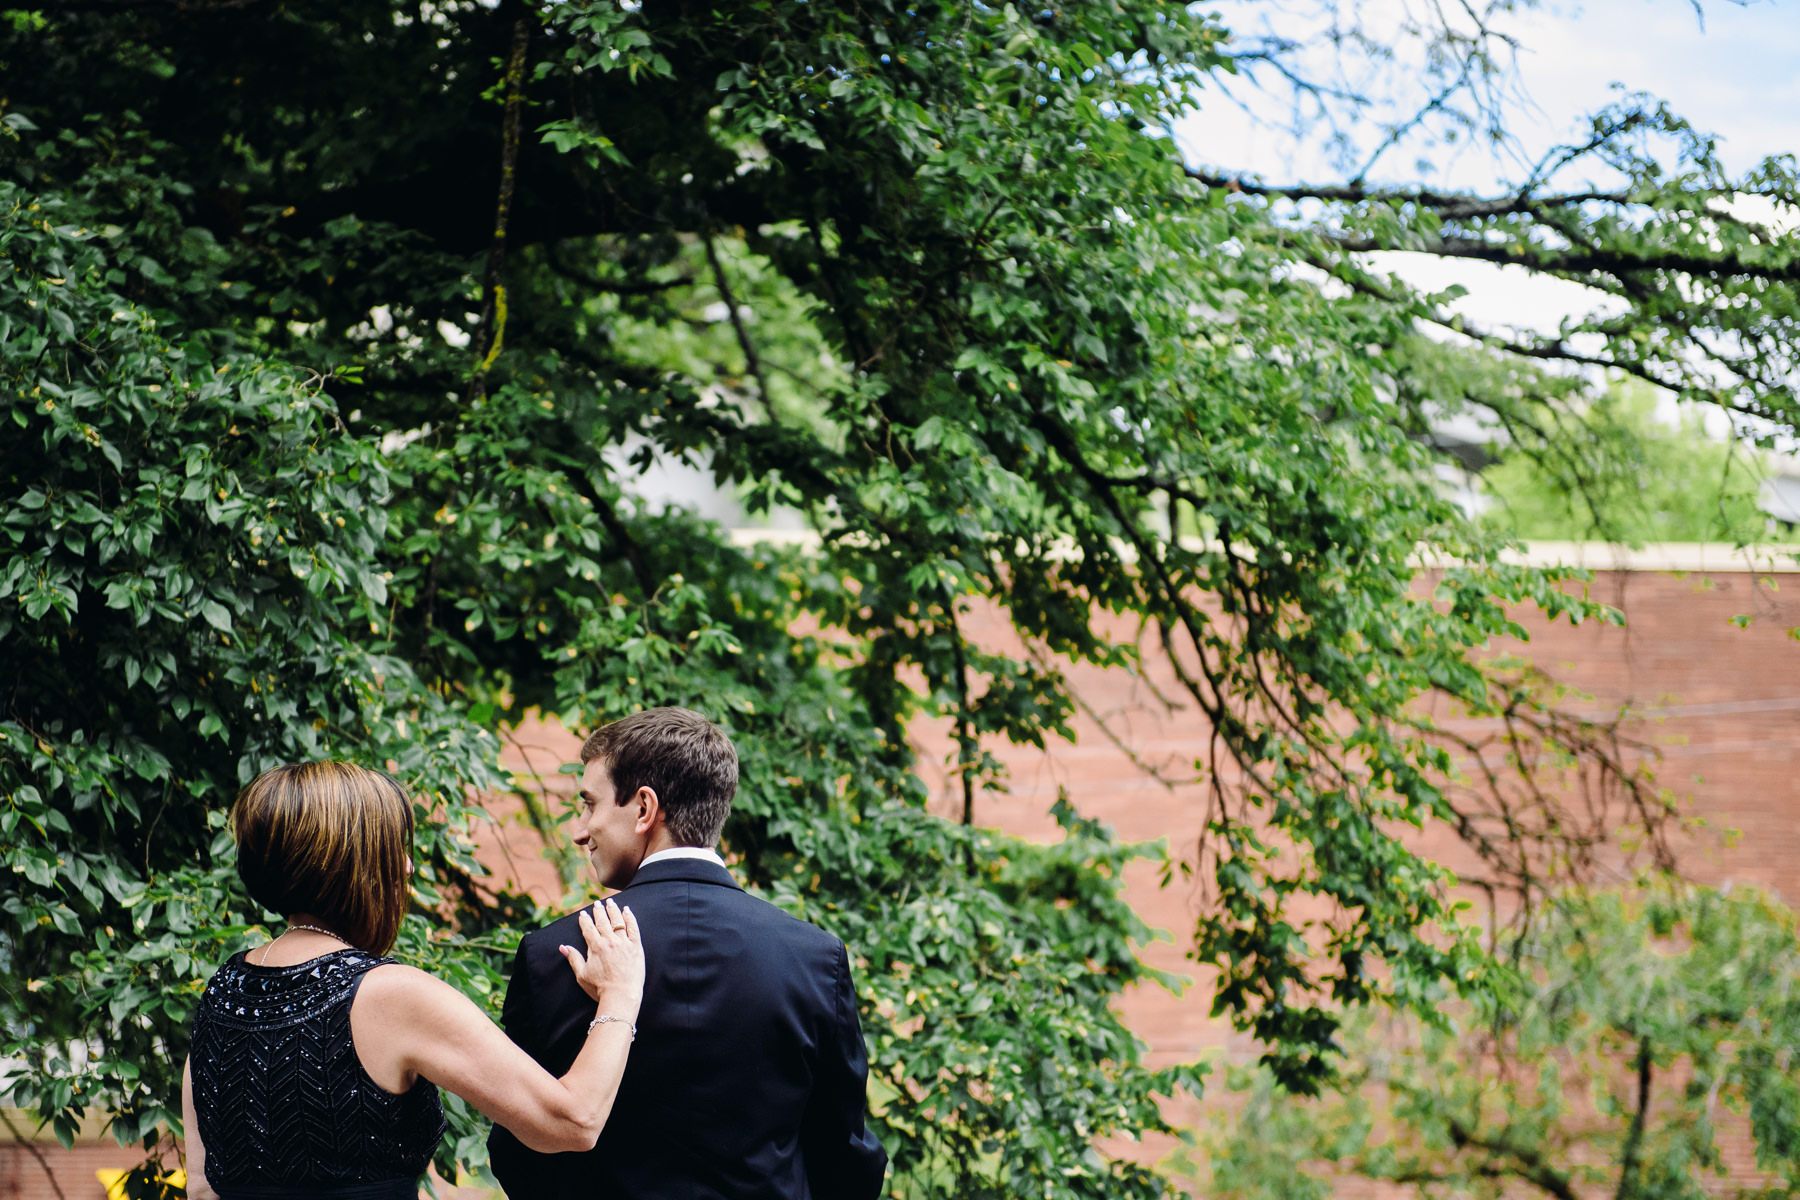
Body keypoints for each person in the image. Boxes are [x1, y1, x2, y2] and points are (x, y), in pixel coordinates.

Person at [182, 761, 646, 1200]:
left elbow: (202, 1188)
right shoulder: (390, 994)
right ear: (349, 864)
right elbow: (573, 1122)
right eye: (393, 851)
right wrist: (620, 994)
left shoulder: (222, 993)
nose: (406, 868)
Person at [488, 707, 888, 1200]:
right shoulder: (814, 958)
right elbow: (844, 1153)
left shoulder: (554, 952)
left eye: (590, 805)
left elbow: (516, 1151)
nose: (579, 829)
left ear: (643, 809)